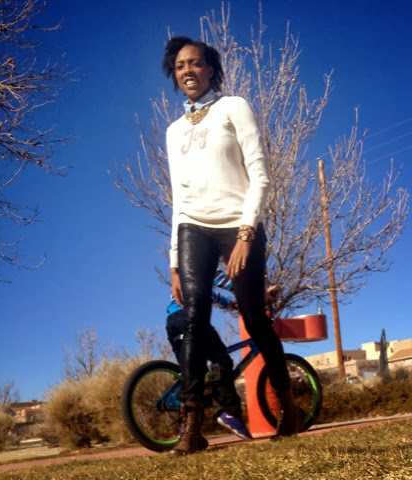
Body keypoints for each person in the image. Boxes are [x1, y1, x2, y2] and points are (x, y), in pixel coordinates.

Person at [162, 36, 300, 455]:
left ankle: (289, 407)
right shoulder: (173, 131)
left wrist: (245, 233)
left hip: (238, 224)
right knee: (193, 318)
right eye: (180, 65)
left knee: (255, 319)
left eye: (195, 63)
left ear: (210, 69)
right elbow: (179, 197)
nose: (188, 70)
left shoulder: (233, 107)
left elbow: (260, 174)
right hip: (193, 227)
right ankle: (192, 426)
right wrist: (174, 260)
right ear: (174, 74)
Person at [165, 267, 252, 441]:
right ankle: (230, 413)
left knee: (192, 372)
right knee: (222, 360)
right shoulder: (204, 261)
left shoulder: (185, 269)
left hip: (172, 322)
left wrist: (228, 304)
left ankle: (187, 428)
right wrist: (253, 293)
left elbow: (208, 294)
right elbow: (230, 283)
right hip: (191, 317)